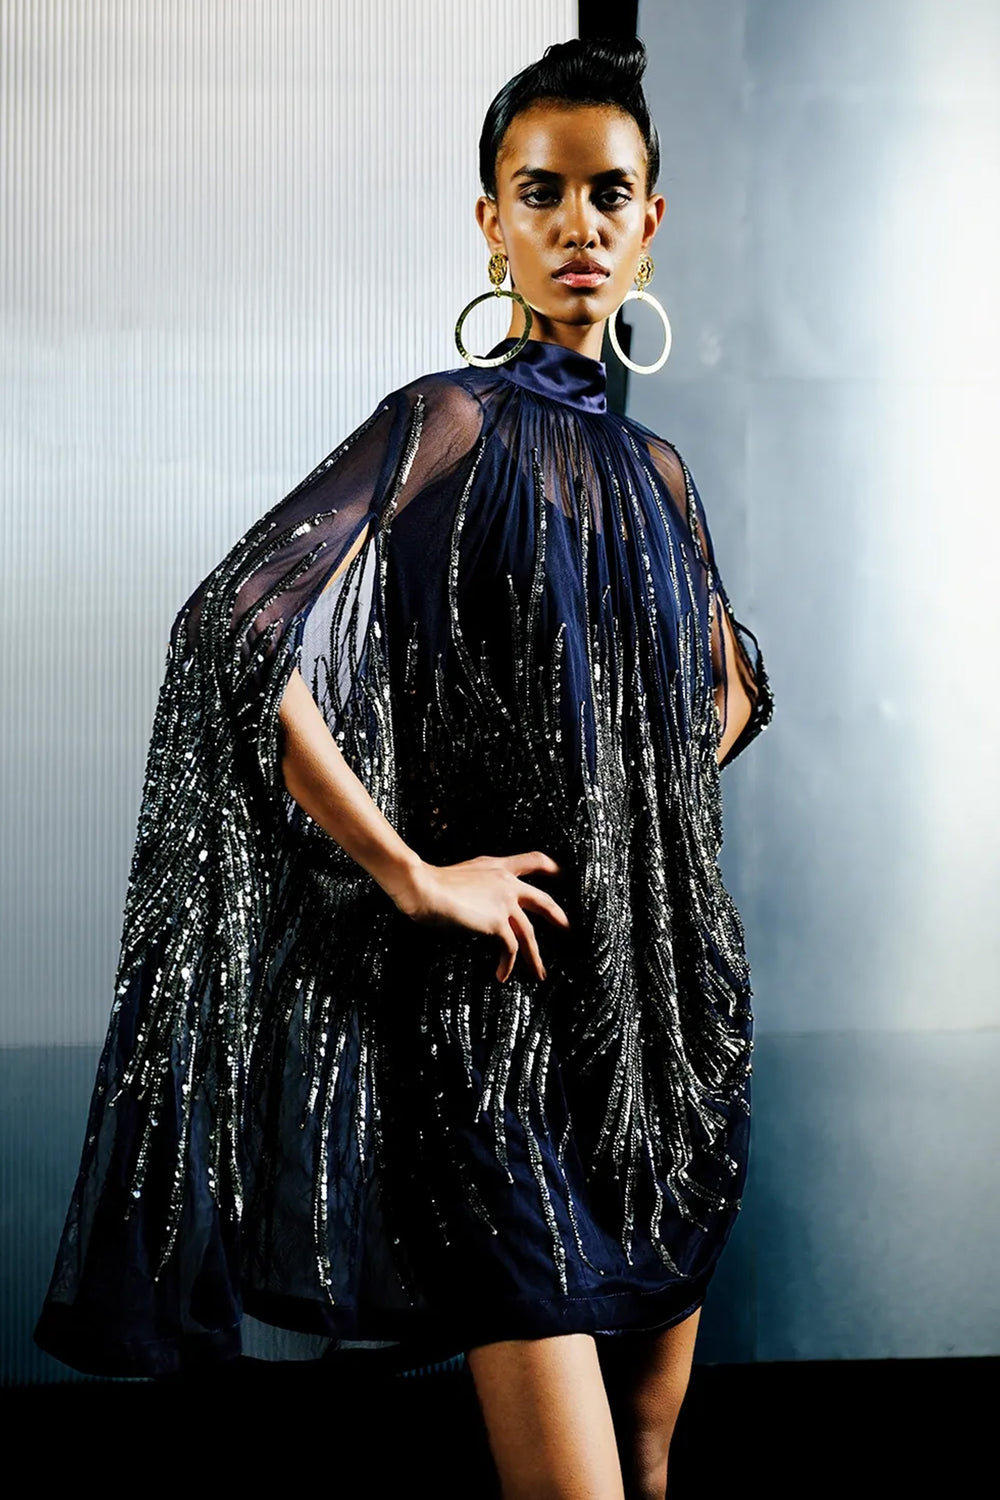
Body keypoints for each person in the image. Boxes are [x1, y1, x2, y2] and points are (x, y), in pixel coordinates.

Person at [34, 34, 773, 1499]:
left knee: (646, 1460)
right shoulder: (446, 420)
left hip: (661, 1030)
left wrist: (633, 822)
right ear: (493, 221)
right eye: (541, 192)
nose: (578, 225)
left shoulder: (662, 475)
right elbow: (231, 633)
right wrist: (414, 874)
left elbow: (731, 693)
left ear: (650, 224)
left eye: (608, 195)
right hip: (493, 1025)